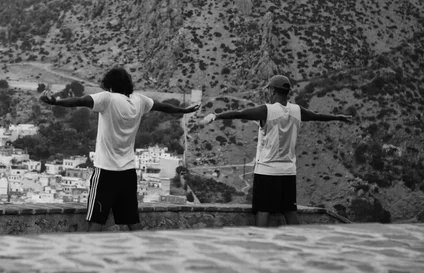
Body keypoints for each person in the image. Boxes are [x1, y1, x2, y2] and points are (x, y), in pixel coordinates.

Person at [40, 67, 200, 232]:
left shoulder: (107, 98)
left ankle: (88, 254)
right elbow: (163, 107)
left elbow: (81, 100)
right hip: (128, 172)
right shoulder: (139, 101)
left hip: (106, 171)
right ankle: (144, 253)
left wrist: (56, 102)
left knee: (96, 220)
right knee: (132, 220)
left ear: (110, 84)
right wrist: (184, 110)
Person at [199, 75, 352, 227]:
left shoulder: (267, 111)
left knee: (263, 211)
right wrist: (338, 117)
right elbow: (317, 116)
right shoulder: (297, 111)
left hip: (267, 171)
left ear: (272, 90)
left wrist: (215, 116)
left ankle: (262, 244)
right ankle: (301, 244)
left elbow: (240, 113)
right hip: (288, 171)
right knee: (289, 211)